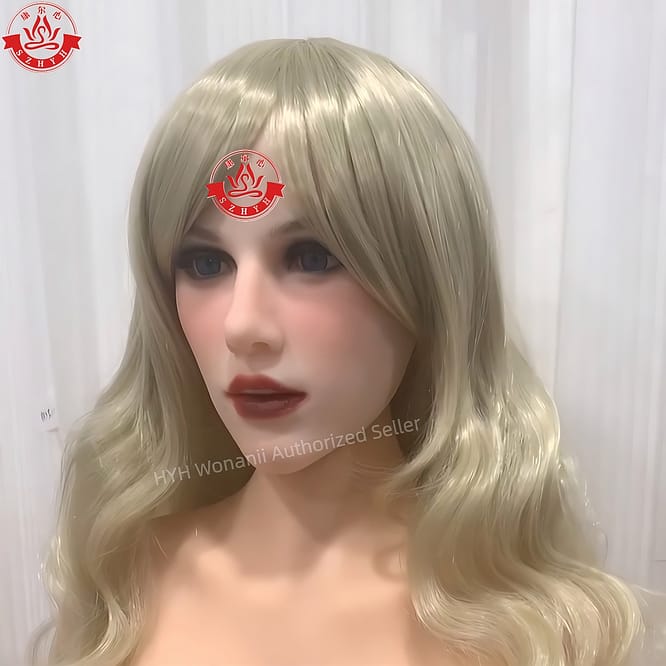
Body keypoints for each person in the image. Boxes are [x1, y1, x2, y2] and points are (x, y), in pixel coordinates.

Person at [28, 37, 665, 666]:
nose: (243, 325)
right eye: (205, 263)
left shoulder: (535, 630)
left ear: (427, 281)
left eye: (311, 257)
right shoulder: (123, 584)